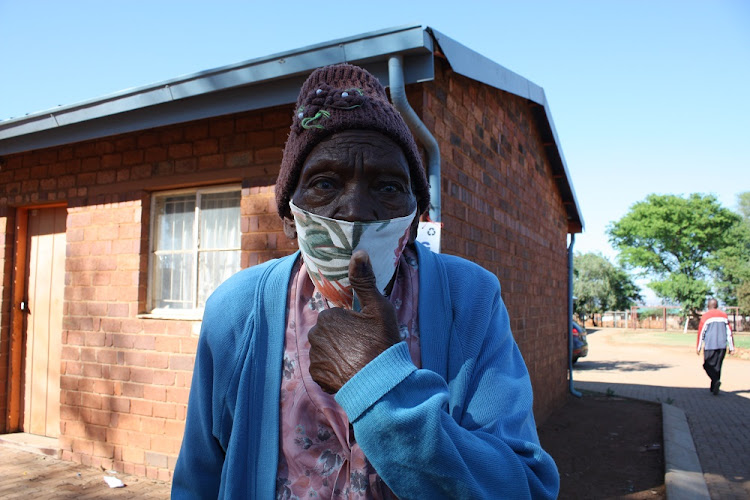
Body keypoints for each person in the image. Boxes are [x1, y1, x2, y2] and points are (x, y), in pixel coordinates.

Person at [172, 63, 559, 499]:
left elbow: (524, 487)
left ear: (414, 219)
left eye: (388, 186)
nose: (355, 209)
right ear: (289, 218)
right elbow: (199, 478)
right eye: (324, 182)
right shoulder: (236, 310)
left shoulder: (469, 300)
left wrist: (380, 384)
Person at [696, 298, 734, 395]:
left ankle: (715, 380)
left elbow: (701, 332)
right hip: (722, 346)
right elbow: (729, 332)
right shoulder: (724, 316)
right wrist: (732, 347)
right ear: (717, 305)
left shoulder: (706, 316)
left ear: (708, 306)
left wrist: (698, 347)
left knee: (707, 365)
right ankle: (714, 388)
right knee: (717, 367)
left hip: (710, 346)